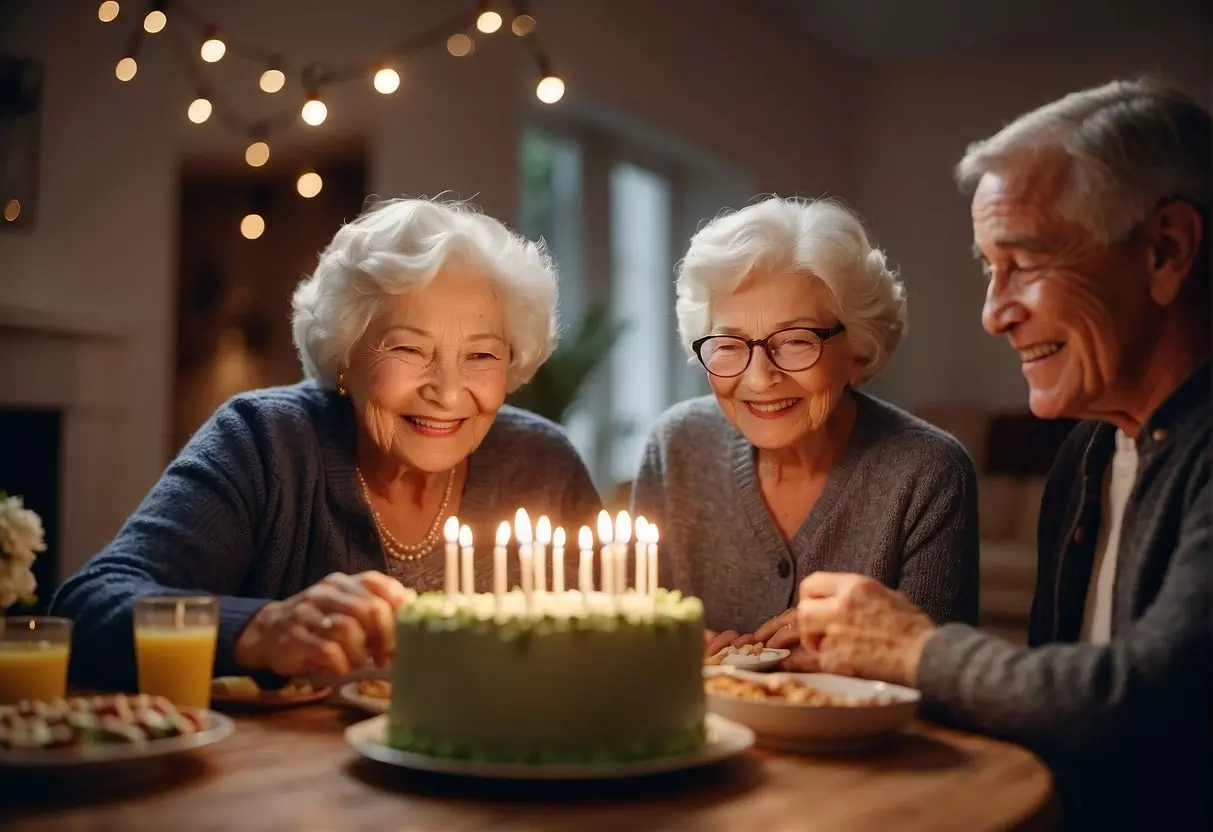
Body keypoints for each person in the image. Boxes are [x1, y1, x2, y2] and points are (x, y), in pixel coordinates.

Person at [796, 78, 1210, 830]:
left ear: (1165, 250)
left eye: (1023, 264)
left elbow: (1151, 704)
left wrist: (914, 650)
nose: (993, 314)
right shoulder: (1086, 453)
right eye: (988, 269)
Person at [51, 198, 602, 689]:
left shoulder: (542, 464)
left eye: (482, 355)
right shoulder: (266, 442)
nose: (447, 391)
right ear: (345, 356)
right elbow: (88, 607)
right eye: (409, 350)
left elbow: (612, 645)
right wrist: (261, 629)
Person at [630, 196, 980, 668]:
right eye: (729, 344)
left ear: (858, 349)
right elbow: (633, 639)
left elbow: (943, 688)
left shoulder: (927, 472)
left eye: (796, 341)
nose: (759, 379)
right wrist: (667, 650)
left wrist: (851, 657)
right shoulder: (676, 447)